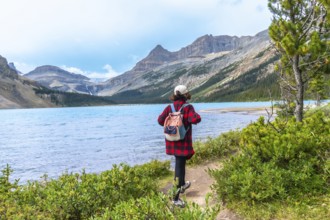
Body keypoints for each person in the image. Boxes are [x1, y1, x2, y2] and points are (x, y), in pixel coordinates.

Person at [157, 85, 201, 208]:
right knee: (179, 169)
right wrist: (196, 115)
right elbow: (195, 119)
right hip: (183, 142)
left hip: (171, 141)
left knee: (180, 164)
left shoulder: (169, 107)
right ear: (185, 94)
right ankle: (175, 199)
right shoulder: (187, 107)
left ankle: (181, 186)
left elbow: (160, 121)